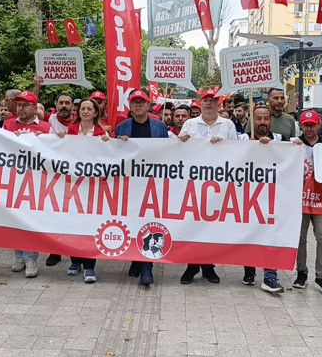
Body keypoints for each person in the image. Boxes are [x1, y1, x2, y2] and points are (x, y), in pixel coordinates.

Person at [177, 88, 238, 284]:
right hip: (193, 183)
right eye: (206, 100)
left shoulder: (227, 124)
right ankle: (191, 264)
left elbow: (238, 151)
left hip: (218, 183)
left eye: (213, 100)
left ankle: (208, 265)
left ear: (218, 104)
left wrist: (224, 145)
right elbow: (177, 151)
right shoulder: (189, 123)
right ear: (200, 103)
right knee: (192, 224)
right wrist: (182, 141)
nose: (209, 103)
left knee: (212, 225)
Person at [115, 89, 169, 286]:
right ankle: (136, 260)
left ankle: (147, 267)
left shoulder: (160, 127)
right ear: (129, 105)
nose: (138, 105)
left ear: (148, 105)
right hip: (130, 184)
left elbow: (166, 153)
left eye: (142, 102)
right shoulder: (121, 127)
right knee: (131, 221)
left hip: (152, 183)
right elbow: (115, 155)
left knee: (150, 223)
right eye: (134, 102)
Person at [60, 98, 110, 282]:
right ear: (78, 111)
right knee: (73, 223)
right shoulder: (70, 131)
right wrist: (59, 140)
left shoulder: (102, 133)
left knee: (91, 225)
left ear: (96, 112)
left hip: (94, 187)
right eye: (83, 108)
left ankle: (89, 266)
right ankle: (75, 261)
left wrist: (110, 142)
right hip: (74, 185)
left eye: (90, 109)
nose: (86, 111)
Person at [3, 90, 51, 277]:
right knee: (15, 219)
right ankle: (19, 255)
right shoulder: (7, 125)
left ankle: (31, 259)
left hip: (36, 183)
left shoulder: (46, 128)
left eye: (25, 105)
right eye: (19, 105)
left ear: (34, 107)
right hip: (13, 181)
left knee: (31, 221)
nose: (21, 108)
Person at [239, 105, 286, 293]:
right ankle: (249, 270)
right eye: (258, 118)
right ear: (252, 120)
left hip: (271, 199)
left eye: (266, 118)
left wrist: (295, 146)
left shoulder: (280, 140)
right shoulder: (242, 139)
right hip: (247, 198)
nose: (262, 122)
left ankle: (270, 276)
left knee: (270, 235)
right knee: (250, 233)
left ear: (271, 121)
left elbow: (290, 158)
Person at [292, 110, 322, 297]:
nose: (309, 128)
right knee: (299, 239)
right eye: (305, 125)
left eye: (312, 124)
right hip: (299, 200)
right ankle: (301, 272)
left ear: (319, 125)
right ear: (301, 126)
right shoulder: (293, 145)